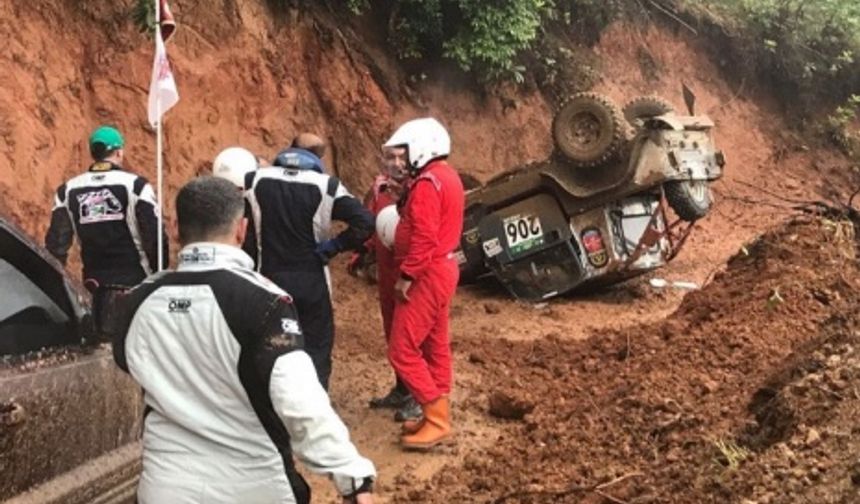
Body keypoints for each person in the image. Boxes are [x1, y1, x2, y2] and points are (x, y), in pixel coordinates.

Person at [112, 176, 376, 504]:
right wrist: (353, 479)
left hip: (165, 487)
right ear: (242, 229)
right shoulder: (266, 303)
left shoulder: (136, 303)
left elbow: (128, 364)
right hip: (255, 486)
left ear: (176, 228)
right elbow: (300, 403)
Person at [243, 135, 373, 390]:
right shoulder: (327, 186)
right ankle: (314, 407)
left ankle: (268, 409)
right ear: (318, 158)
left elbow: (240, 224)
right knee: (316, 348)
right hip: (312, 279)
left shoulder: (254, 179)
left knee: (269, 346)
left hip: (268, 278)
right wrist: (334, 246)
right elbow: (366, 222)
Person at [384, 117, 464, 450]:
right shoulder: (445, 177)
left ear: (421, 148)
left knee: (402, 350)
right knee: (435, 344)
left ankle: (436, 418)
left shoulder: (428, 183)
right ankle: (436, 415)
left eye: (404, 154)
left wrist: (407, 276)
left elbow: (424, 237)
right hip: (441, 270)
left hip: (427, 273)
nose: (400, 162)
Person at [45, 125, 167, 335]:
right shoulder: (136, 186)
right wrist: (160, 276)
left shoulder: (67, 191)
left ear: (93, 153)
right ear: (119, 152)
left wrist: (59, 291)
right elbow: (155, 238)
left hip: (94, 285)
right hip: (135, 283)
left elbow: (56, 246)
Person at [357, 146, 422, 422]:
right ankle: (401, 388)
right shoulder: (379, 190)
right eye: (390, 158)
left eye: (401, 158)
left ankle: (420, 397)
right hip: (386, 272)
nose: (396, 164)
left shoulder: (419, 189)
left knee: (413, 336)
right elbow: (372, 225)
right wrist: (362, 253)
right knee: (391, 331)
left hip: (411, 273)